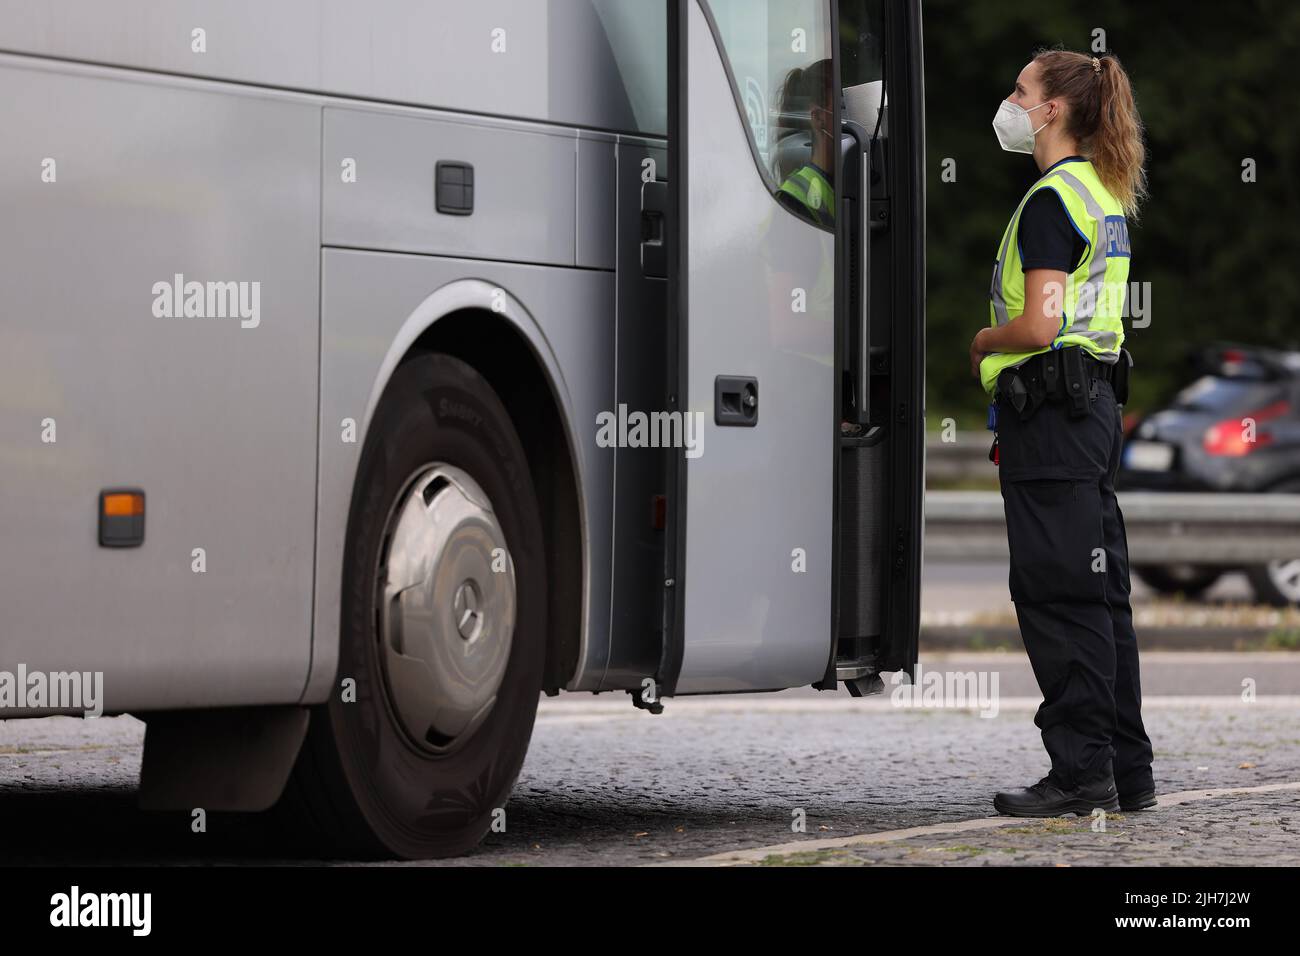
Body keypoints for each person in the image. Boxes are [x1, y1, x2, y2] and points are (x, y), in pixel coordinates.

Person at [969, 49, 1157, 817]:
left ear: (1051, 111)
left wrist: (983, 343)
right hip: (1091, 417)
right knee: (1101, 595)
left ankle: (1080, 774)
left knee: (1059, 596)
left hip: (1050, 420)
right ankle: (1126, 771)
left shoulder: (1051, 200)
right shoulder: (1101, 195)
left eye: (1020, 91)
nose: (1010, 103)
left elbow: (1042, 323)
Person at [773, 59, 835, 228]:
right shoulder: (794, 197)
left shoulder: (854, 180)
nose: (853, 110)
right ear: (818, 118)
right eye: (843, 103)